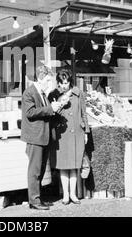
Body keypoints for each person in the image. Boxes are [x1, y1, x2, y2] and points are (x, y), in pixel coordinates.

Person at [21, 65, 63, 211]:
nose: (49, 83)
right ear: (40, 78)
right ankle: (34, 200)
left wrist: (55, 109)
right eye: (48, 80)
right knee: (35, 170)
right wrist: (51, 108)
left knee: (39, 170)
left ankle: (37, 199)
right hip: (35, 137)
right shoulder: (29, 93)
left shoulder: (42, 94)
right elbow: (30, 112)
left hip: (42, 137)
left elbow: (41, 112)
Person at [48, 69, 90, 205]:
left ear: (70, 82)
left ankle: (73, 194)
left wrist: (86, 132)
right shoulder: (53, 95)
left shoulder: (78, 93)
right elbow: (50, 115)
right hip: (62, 135)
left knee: (74, 165)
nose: (64, 86)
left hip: (77, 132)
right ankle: (65, 195)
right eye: (62, 83)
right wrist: (60, 104)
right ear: (58, 83)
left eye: (66, 83)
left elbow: (84, 113)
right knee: (63, 166)